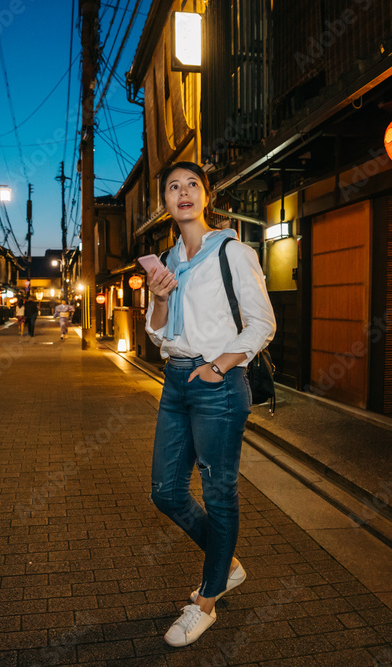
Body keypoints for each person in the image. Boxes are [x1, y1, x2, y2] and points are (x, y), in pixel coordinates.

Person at [144, 161, 275, 648]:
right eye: (173, 187)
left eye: (191, 185)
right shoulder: (167, 260)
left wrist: (218, 366)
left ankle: (207, 600)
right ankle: (228, 564)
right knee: (165, 492)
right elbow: (157, 333)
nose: (182, 193)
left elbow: (262, 323)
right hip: (175, 380)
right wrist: (158, 299)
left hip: (217, 381)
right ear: (164, 202)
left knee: (219, 493)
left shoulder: (233, 251)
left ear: (206, 195)